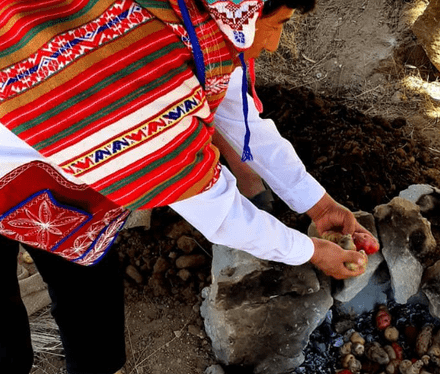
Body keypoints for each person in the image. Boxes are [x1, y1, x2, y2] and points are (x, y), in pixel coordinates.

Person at [0, 0, 376, 373]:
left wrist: (320, 205)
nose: (276, 43)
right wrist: (309, 251)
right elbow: (219, 212)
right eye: (278, 23)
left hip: (49, 177)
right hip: (17, 167)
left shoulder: (190, 20)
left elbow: (241, 117)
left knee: (87, 295)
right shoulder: (145, 78)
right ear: (248, 11)